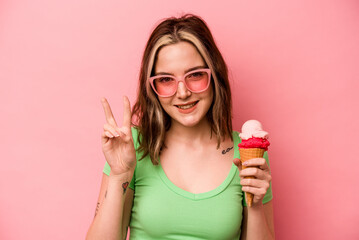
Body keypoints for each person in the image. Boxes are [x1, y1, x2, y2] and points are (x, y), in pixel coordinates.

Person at [86, 14, 275, 240]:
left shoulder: (245, 153)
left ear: (214, 75)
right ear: (152, 86)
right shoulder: (134, 147)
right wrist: (118, 176)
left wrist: (254, 203)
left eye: (195, 75)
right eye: (166, 79)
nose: (183, 92)